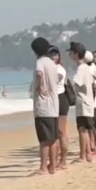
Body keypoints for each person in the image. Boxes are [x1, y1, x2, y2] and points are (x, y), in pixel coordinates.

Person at [30, 37, 61, 175]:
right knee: (53, 138)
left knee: (44, 139)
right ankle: (53, 166)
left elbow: (39, 73)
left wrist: (40, 86)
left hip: (43, 105)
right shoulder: (52, 63)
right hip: (54, 105)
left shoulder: (40, 62)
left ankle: (43, 167)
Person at [68, 44, 96, 163]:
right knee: (85, 129)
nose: (69, 55)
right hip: (88, 102)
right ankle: (88, 155)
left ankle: (83, 156)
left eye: (71, 52)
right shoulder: (86, 67)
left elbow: (76, 83)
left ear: (76, 54)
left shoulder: (81, 68)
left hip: (83, 103)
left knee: (82, 129)